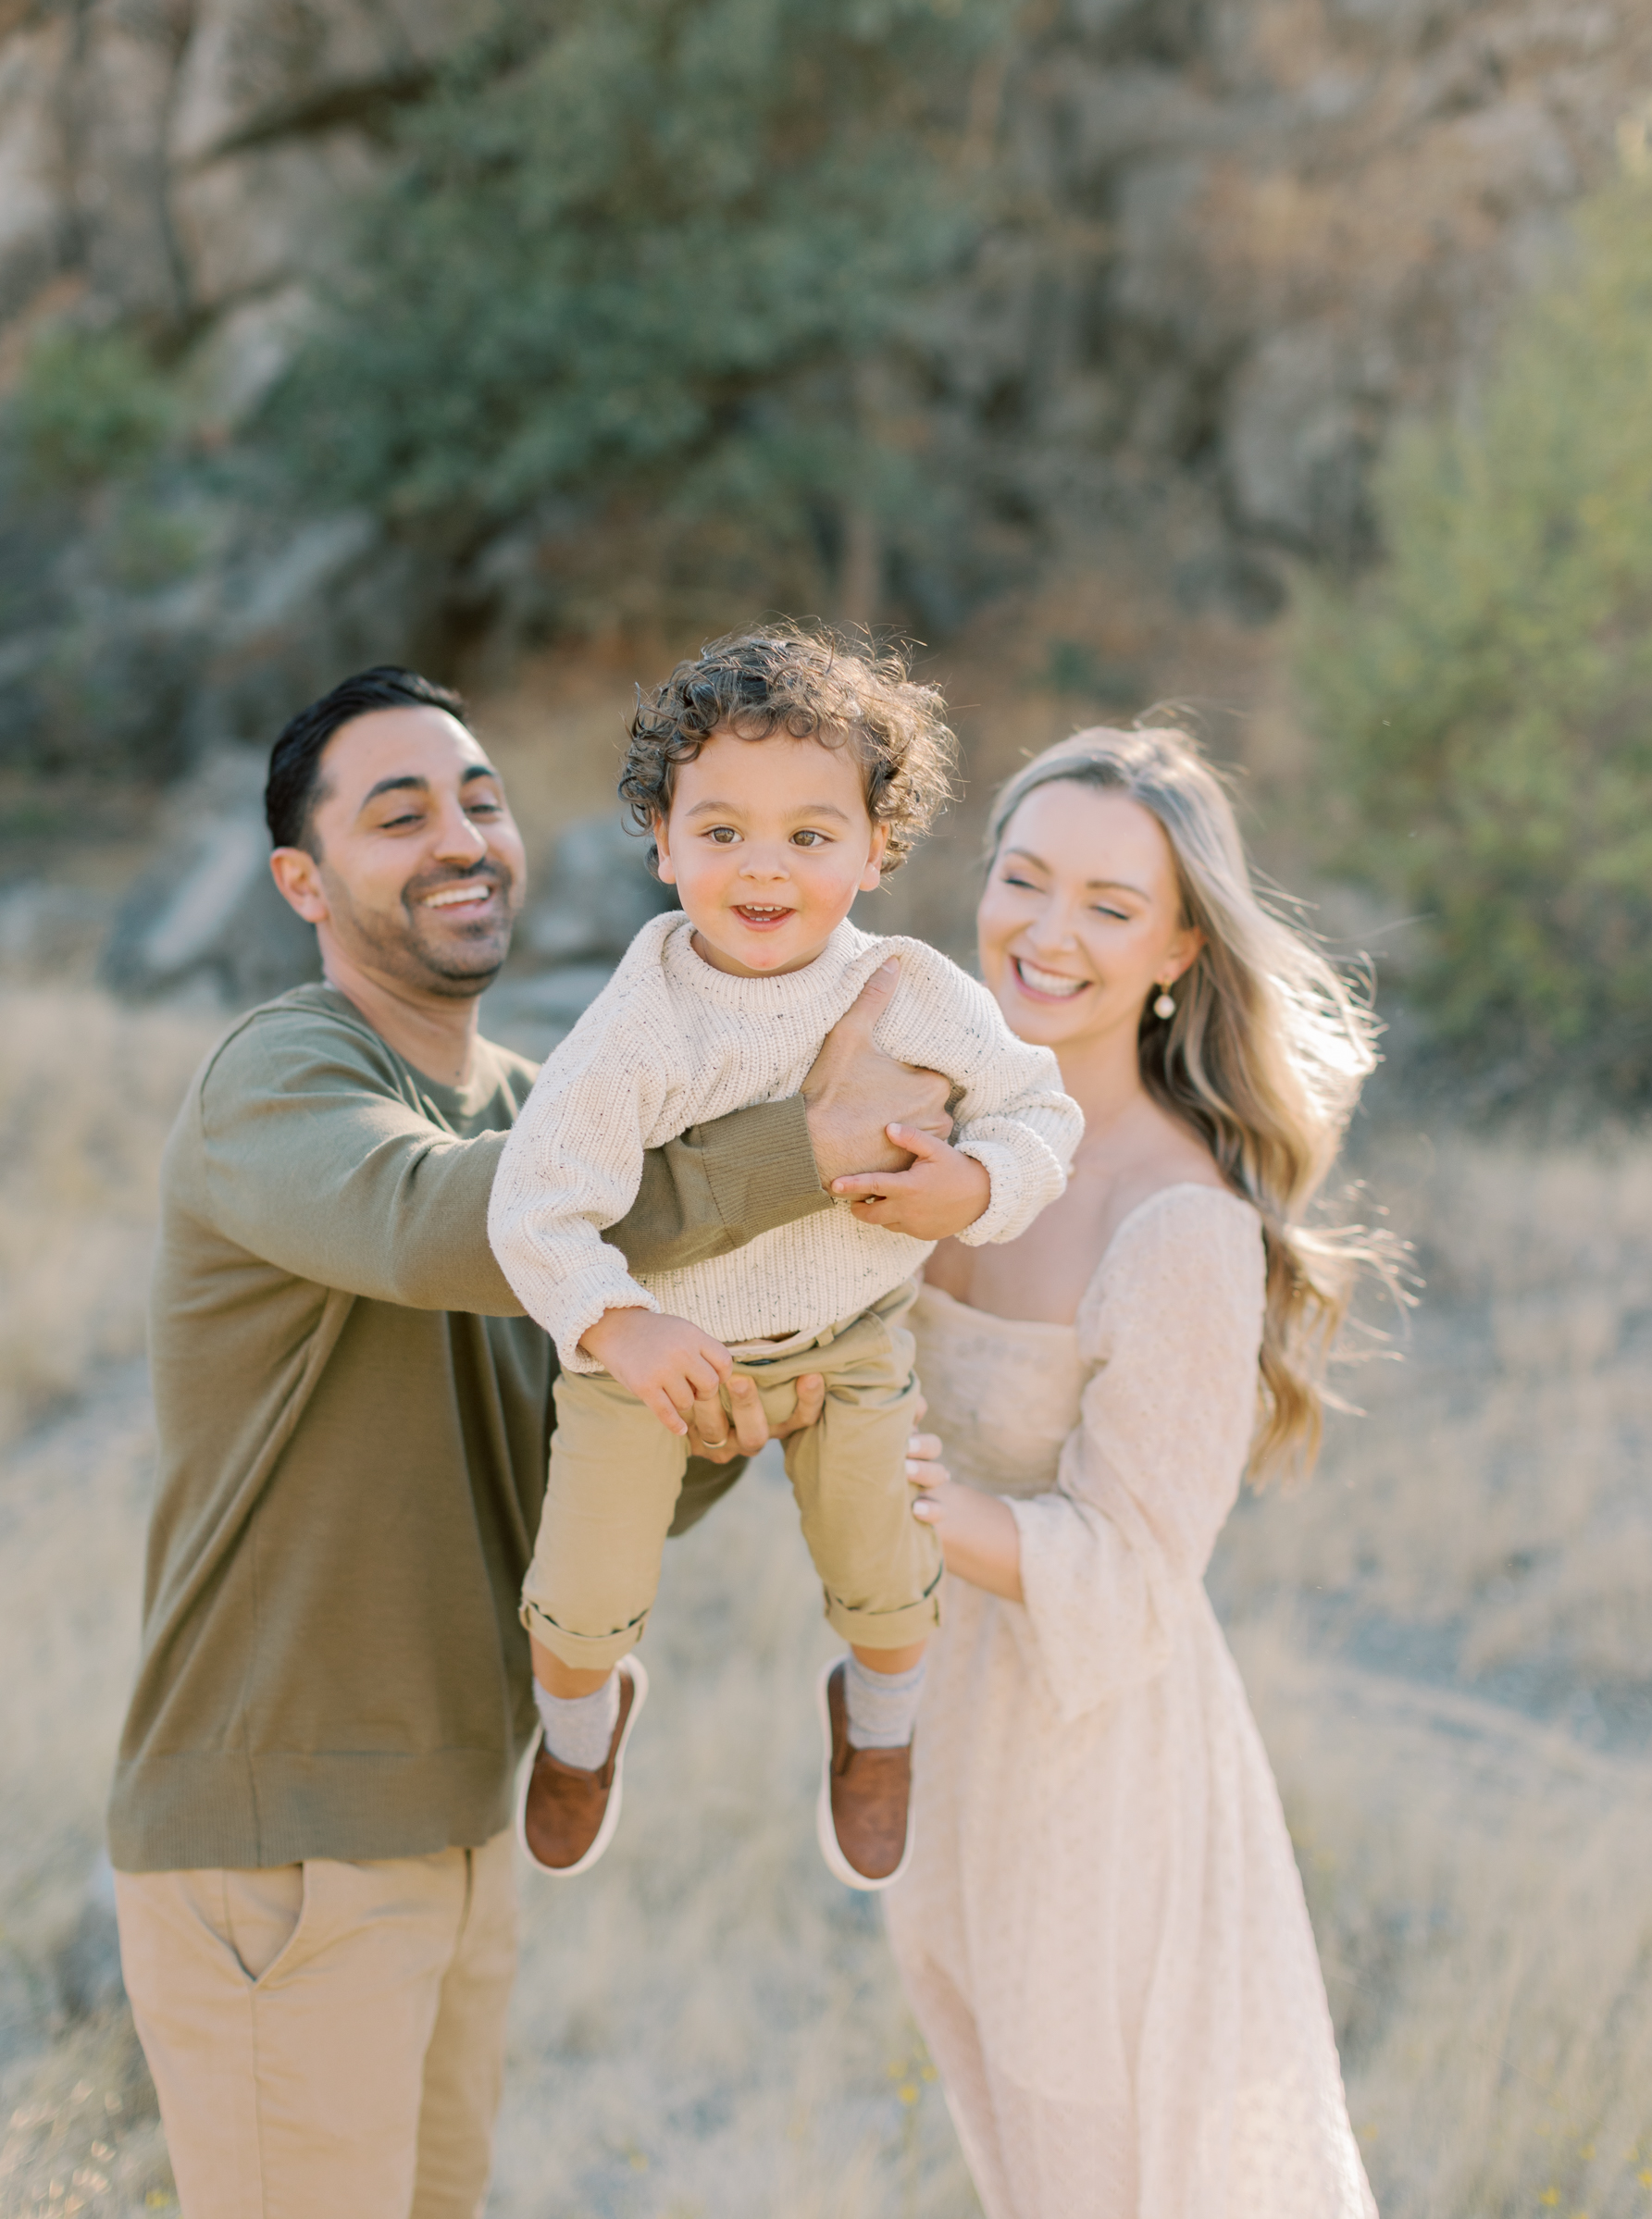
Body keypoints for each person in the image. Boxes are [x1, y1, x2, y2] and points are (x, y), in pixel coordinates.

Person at [106, 663, 959, 2219]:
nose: (461, 836)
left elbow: (575, 1456)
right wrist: (799, 1147)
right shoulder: (279, 1076)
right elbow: (462, 1227)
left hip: (461, 1812)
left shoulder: (546, 1104)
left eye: (481, 798)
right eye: (398, 810)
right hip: (284, 1827)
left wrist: (757, 1388)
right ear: (299, 877)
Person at [879, 725, 1388, 2218]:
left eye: (1107, 906)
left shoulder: (1177, 1223)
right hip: (938, 1723)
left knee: (1102, 2173)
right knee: (1005, 2151)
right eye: (1023, 881)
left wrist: (892, 1494)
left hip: (1094, 1757)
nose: (1048, 933)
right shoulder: (934, 1131)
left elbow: (1133, 1571)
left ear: (1175, 945)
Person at [491, 629, 1082, 1891]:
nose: (764, 866)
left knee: (887, 1580)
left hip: (849, 1335)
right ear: (661, 842)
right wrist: (615, 1326)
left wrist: (975, 1183)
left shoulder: (910, 990)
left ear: (876, 848)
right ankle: (578, 1734)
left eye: (811, 836)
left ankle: (876, 1730)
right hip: (654, 1340)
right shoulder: (642, 1018)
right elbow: (535, 1203)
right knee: (578, 1595)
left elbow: (1041, 1111)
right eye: (721, 833)